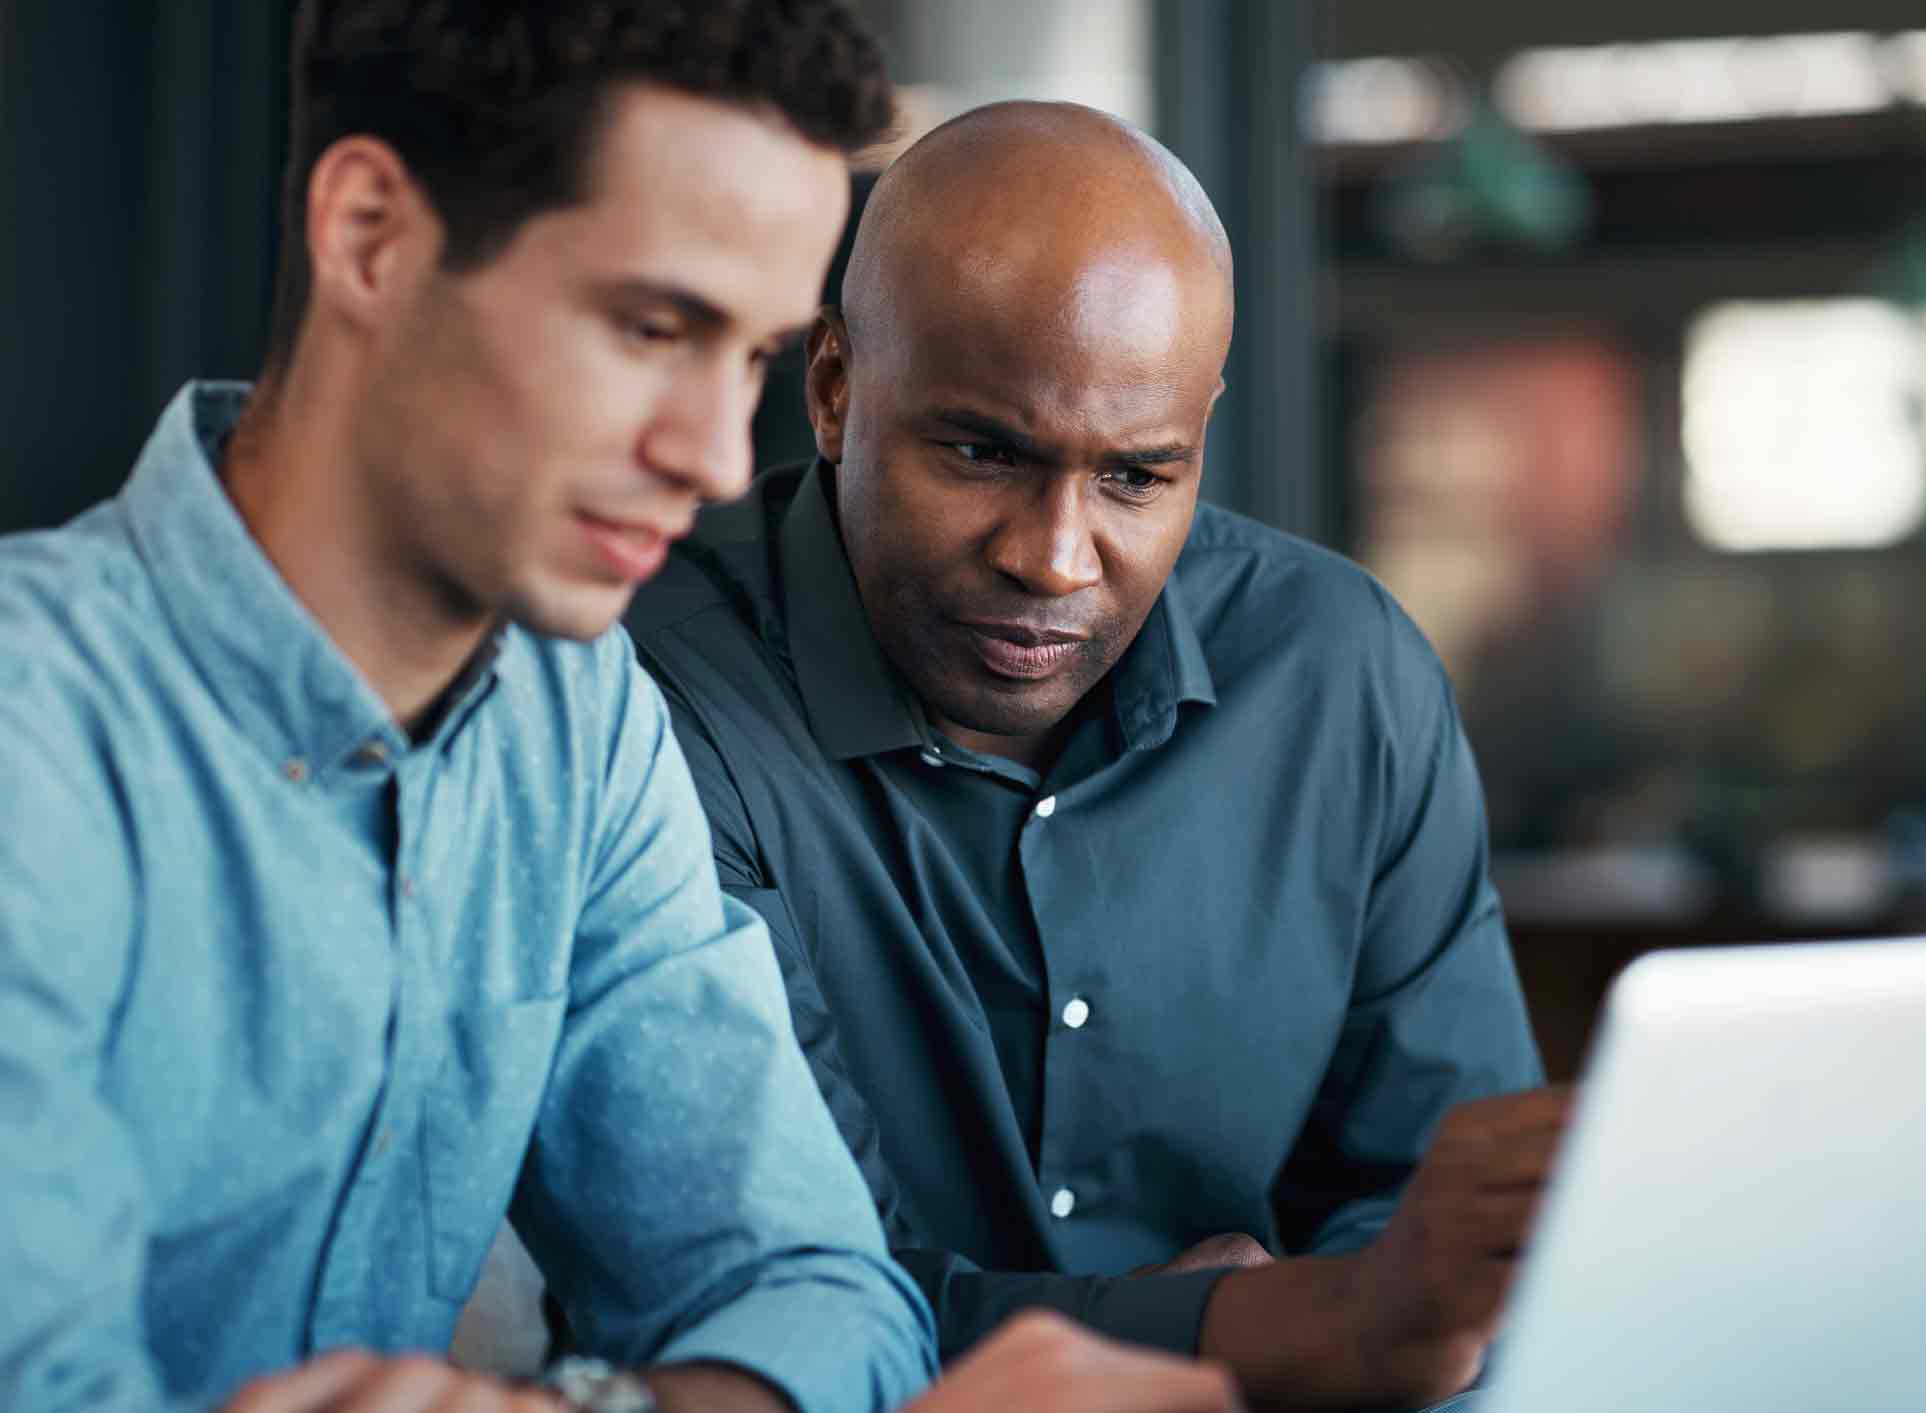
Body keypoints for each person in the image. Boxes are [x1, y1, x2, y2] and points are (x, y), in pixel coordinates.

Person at [0, 8, 1239, 1412]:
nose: (714, 458)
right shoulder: (32, 741)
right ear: (368, 234)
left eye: (754, 358)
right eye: (655, 326)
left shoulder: (575, 723)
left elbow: (826, 1299)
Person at [627, 100, 1566, 1412]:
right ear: (834, 388)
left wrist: (1349, 1315)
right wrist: (1256, 1323)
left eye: (1136, 476)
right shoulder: (644, 709)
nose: (1053, 558)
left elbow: (1448, 1252)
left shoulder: (1339, 675)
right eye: (981, 452)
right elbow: (795, 1307)